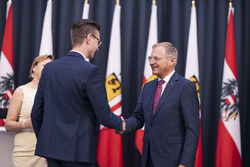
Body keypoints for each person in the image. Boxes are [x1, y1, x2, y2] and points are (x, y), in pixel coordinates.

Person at [31, 19, 125, 167]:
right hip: (78, 153)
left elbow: (36, 113)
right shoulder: (90, 71)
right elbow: (104, 115)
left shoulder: (49, 69)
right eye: (98, 42)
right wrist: (121, 123)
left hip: (51, 151)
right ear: (89, 38)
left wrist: (47, 143)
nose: (98, 48)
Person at [120, 42, 199, 167]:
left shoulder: (185, 87)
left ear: (172, 61)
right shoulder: (148, 87)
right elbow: (138, 117)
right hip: (148, 159)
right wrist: (122, 125)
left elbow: (192, 130)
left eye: (156, 58)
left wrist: (185, 163)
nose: (151, 62)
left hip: (174, 161)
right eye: (150, 58)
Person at [5, 54, 54, 167]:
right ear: (34, 67)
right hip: (24, 155)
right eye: (45, 66)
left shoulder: (54, 93)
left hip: (46, 154)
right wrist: (25, 124)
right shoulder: (21, 91)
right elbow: (8, 125)